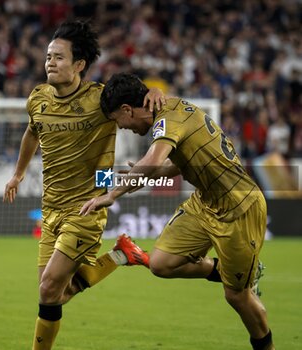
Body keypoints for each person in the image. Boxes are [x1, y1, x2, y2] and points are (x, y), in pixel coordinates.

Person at [80, 73, 275, 350]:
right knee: (161, 263)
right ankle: (229, 271)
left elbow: (154, 159)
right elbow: (175, 165)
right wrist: (145, 174)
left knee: (236, 297)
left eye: (116, 121)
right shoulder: (168, 111)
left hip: (239, 207)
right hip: (205, 202)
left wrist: (113, 193)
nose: (120, 127)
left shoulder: (168, 119)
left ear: (127, 110)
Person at [3, 21, 164, 350]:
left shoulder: (101, 98)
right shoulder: (37, 99)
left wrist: (157, 92)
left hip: (89, 206)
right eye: (49, 56)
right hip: (51, 208)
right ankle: (120, 256)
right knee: (53, 294)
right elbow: (32, 133)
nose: (51, 62)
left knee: (49, 288)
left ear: (79, 65)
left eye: (59, 57)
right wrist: (18, 173)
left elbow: (144, 101)